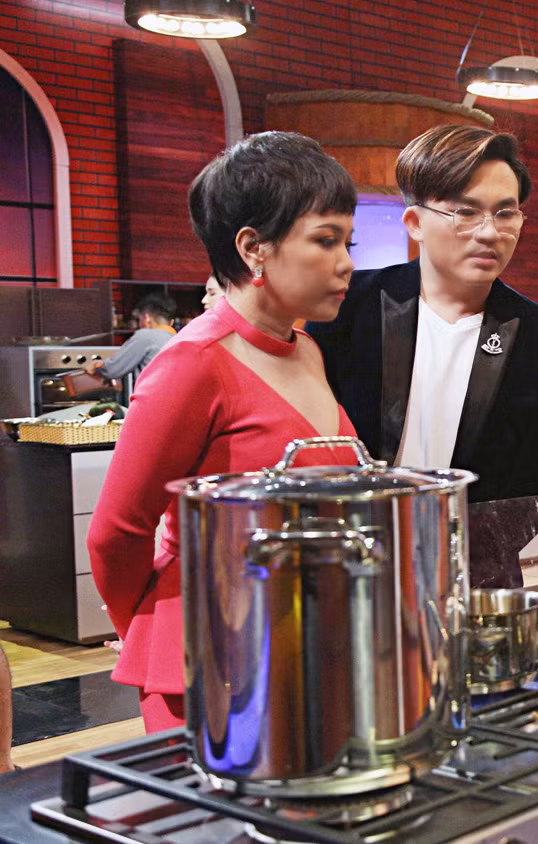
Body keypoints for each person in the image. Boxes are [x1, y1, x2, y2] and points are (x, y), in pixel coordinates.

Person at [88, 132, 361, 733]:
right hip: (214, 663)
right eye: (326, 240)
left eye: (348, 241)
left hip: (302, 645)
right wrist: (147, 629)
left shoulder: (306, 349)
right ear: (253, 248)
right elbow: (117, 532)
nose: (346, 262)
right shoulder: (194, 362)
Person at [306, 126, 538, 507]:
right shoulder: (348, 307)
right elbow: (313, 446)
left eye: (505, 213)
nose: (490, 233)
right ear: (415, 223)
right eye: (466, 212)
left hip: (476, 541)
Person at [83, 293, 176, 385]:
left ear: (146, 318)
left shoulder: (146, 336)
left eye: (139, 319)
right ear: (171, 322)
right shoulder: (177, 339)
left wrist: (96, 366)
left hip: (151, 393)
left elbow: (113, 369)